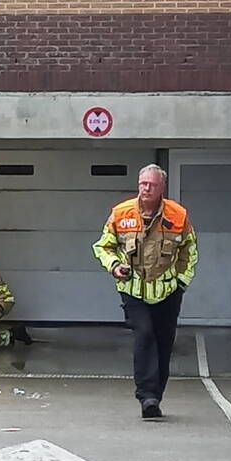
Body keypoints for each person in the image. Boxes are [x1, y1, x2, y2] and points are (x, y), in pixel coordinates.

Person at [93, 164, 198, 419]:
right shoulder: (121, 213)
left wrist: (181, 283)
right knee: (145, 334)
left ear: (162, 187)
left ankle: (155, 397)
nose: (145, 188)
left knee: (164, 343)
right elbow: (103, 246)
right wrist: (115, 266)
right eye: (142, 183)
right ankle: (146, 394)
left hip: (168, 292)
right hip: (134, 291)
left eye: (151, 184)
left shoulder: (178, 215)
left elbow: (189, 250)